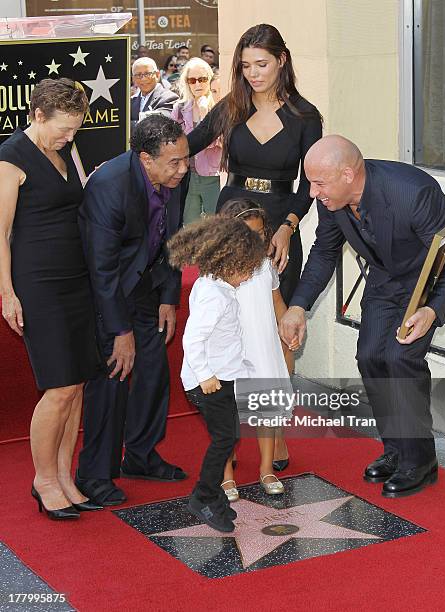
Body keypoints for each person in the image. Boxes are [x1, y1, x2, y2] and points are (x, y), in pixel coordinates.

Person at [280, 135, 445, 498]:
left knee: (401, 358)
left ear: (348, 174)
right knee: (370, 356)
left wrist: (431, 309)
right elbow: (324, 251)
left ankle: (420, 460)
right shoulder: (332, 200)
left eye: (319, 183)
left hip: (428, 279)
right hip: (386, 280)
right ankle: (397, 449)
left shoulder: (411, 191)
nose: (312, 193)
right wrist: (298, 306)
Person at [188, 23, 322, 466]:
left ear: (282, 60)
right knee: (232, 325)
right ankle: (229, 433)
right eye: (245, 66)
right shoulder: (231, 107)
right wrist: (138, 154)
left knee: (281, 330)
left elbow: (310, 183)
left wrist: (287, 225)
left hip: (282, 221)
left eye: (261, 64)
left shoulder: (306, 116)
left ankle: (275, 432)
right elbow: (188, 145)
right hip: (233, 221)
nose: (253, 74)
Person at [0, 78, 102, 520]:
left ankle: (64, 474)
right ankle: (43, 480)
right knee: (59, 386)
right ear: (38, 115)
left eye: (75, 129)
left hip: (76, 279)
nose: (69, 137)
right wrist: (7, 294)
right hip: (38, 284)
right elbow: (0, 235)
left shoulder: (65, 150)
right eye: (63, 129)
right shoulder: (10, 158)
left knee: (77, 383)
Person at [75, 115, 190, 506]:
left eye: (185, 159)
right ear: (145, 158)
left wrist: (169, 297)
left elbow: (175, 239)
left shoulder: (174, 176)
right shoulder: (110, 186)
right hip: (108, 292)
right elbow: (102, 269)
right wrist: (120, 331)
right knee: (112, 377)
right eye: (174, 162)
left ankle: (140, 456)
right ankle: (94, 474)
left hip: (149, 286)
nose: (183, 169)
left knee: (153, 370)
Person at [168, 216, 266, 532]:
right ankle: (204, 497)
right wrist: (207, 375)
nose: (250, 275)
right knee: (226, 438)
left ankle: (213, 497)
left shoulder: (215, 286)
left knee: (228, 437)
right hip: (207, 382)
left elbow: (225, 339)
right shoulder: (214, 295)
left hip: (221, 378)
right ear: (229, 263)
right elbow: (192, 339)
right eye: (247, 268)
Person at [219, 199, 298, 501]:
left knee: (267, 412)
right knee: (227, 415)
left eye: (260, 233)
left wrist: (289, 328)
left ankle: (267, 469)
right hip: (232, 351)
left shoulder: (266, 267)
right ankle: (226, 476)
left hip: (264, 347)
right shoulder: (217, 270)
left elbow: (278, 306)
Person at [172, 58, 221, 224]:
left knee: (215, 226)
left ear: (209, 79)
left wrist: (202, 116)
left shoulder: (218, 107)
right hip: (187, 175)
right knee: (190, 226)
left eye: (203, 79)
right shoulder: (180, 108)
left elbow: (220, 141)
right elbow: (175, 141)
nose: (198, 84)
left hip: (212, 176)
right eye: (192, 80)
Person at [130, 58, 179, 131]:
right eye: (138, 75)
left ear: (157, 75)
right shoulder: (131, 101)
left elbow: (155, 125)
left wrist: (127, 124)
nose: (143, 79)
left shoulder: (169, 98)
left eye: (147, 74)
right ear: (133, 78)